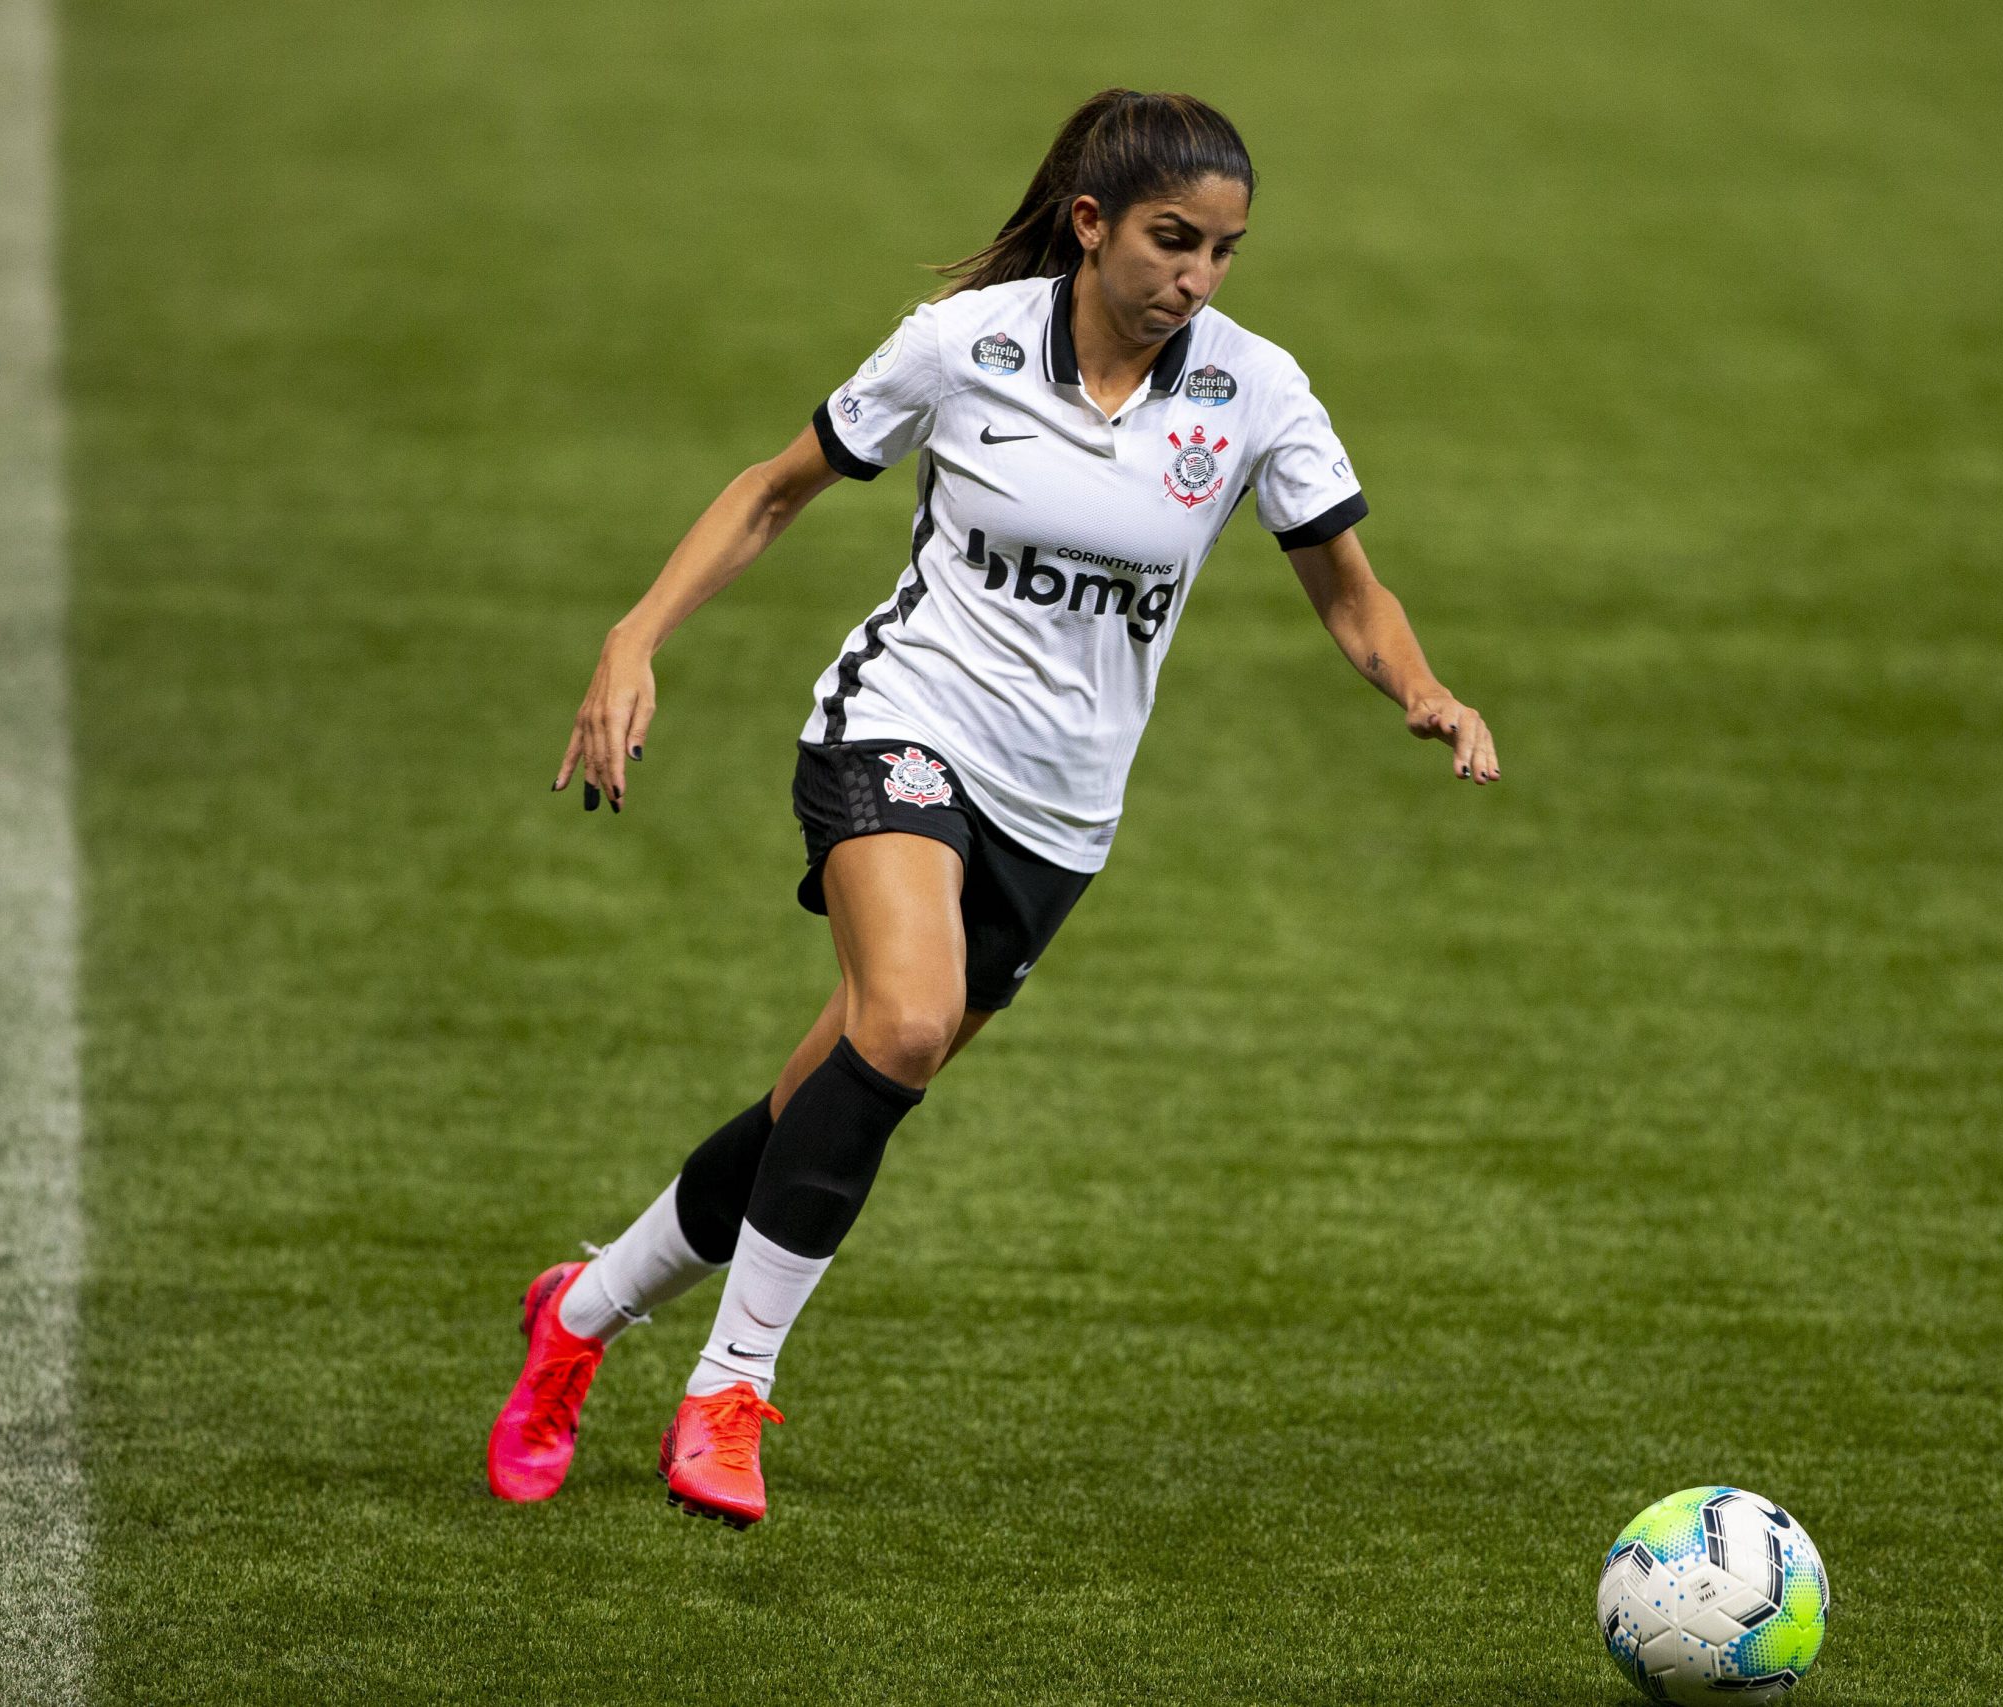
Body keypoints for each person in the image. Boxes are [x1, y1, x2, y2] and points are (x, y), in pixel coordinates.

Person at [487, 87, 1500, 1530]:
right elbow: (775, 493)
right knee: (901, 1020)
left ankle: (576, 1318)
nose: (1195, 280)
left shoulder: (1254, 392)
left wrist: (1421, 685)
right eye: (1170, 242)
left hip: (1060, 821)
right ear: (1090, 225)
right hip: (902, 727)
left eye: (1224, 252)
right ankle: (730, 1391)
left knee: (815, 1110)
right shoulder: (964, 347)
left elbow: (1351, 586)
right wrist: (634, 635)